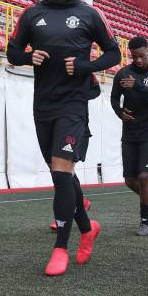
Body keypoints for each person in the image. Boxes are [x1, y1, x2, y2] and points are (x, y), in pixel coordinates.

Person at [7, 0, 121, 276]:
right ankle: (87, 228)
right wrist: (30, 57)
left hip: (73, 106)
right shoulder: (31, 15)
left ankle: (60, 249)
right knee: (64, 176)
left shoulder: (89, 14)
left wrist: (87, 65)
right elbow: (12, 52)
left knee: (60, 174)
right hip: (43, 105)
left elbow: (114, 52)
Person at [111, 36, 148, 236]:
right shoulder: (122, 74)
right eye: (133, 56)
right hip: (130, 132)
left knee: (144, 176)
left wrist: (139, 86)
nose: (137, 60)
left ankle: (145, 221)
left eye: (141, 56)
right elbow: (113, 98)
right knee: (130, 180)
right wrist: (119, 112)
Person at [49, 73, 99, 231]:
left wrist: (76, 96)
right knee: (62, 171)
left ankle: (67, 213)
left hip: (77, 126)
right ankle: (79, 203)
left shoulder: (81, 68)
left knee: (63, 172)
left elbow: (96, 90)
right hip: (56, 124)